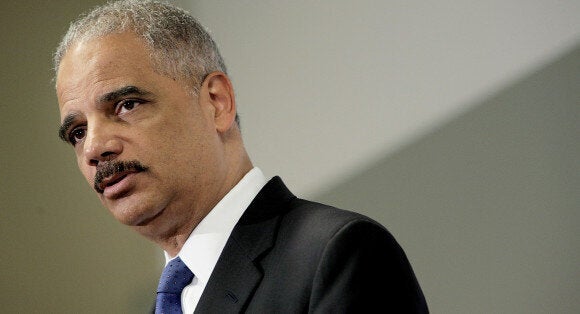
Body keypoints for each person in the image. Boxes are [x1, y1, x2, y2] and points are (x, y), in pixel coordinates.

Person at [54, 1, 428, 313]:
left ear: (217, 102)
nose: (94, 148)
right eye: (78, 132)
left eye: (126, 105)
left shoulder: (335, 256)